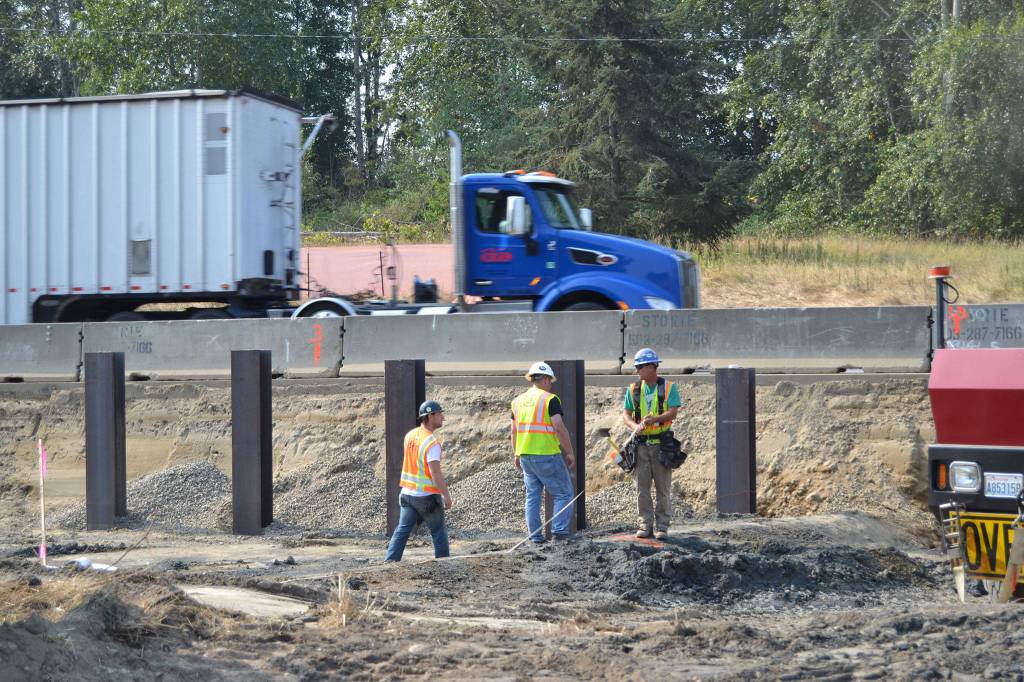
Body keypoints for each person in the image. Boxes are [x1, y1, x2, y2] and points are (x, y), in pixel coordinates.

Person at [511, 361, 577, 544]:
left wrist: (516, 453)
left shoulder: (517, 402)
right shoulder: (550, 399)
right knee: (563, 493)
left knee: (532, 496)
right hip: (546, 454)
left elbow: (514, 431)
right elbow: (558, 426)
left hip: (525, 455)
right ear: (547, 379)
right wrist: (569, 452)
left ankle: (535, 537)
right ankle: (559, 533)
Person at [622, 348, 681, 540]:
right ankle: (645, 525)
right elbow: (626, 414)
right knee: (642, 488)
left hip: (661, 446)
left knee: (663, 488)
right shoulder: (633, 389)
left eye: (640, 366)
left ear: (651, 366)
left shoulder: (669, 388)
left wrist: (654, 420)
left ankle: (662, 526)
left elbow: (673, 413)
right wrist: (634, 427)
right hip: (641, 446)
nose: (637, 370)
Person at [385, 400, 452, 562]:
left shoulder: (411, 435)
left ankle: (389, 562)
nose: (443, 417)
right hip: (426, 497)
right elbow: (435, 472)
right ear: (430, 416)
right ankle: (444, 565)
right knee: (438, 532)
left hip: (407, 494)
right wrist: (446, 496)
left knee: (402, 531)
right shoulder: (431, 443)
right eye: (440, 414)